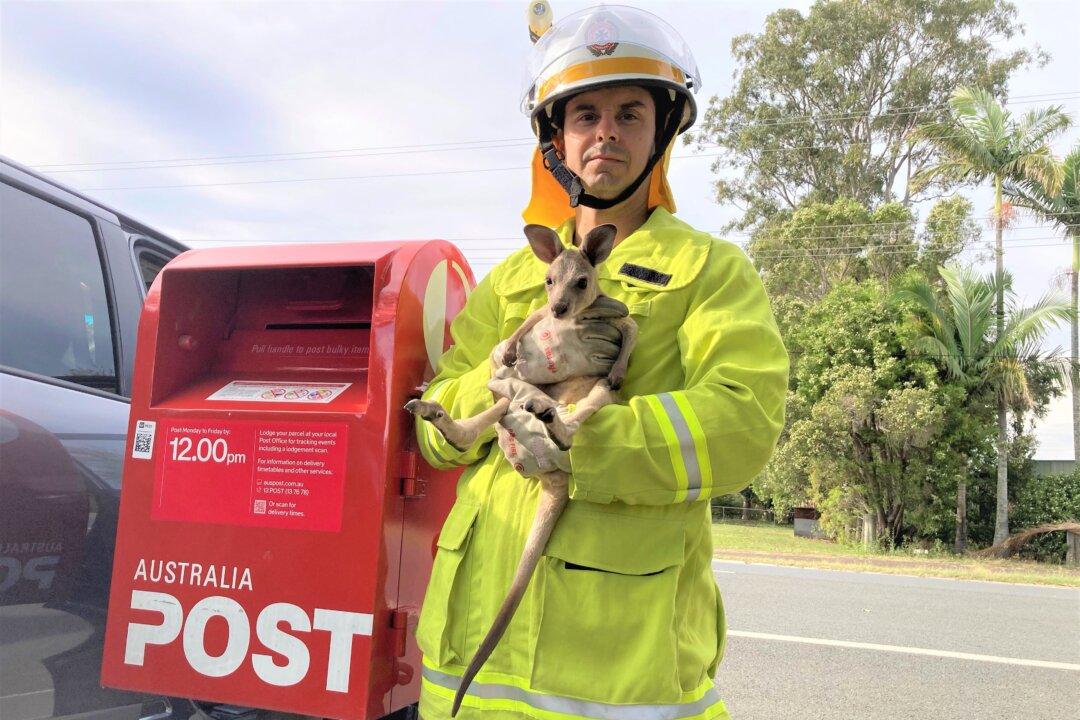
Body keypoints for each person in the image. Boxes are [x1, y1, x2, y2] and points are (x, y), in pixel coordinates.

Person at [413, 5, 789, 719]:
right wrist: (506, 372)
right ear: (557, 139)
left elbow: (744, 422)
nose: (605, 132)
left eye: (629, 113)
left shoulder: (708, 271)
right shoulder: (509, 283)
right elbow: (435, 434)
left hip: (621, 679)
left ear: (664, 132)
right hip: (467, 673)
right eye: (584, 114)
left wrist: (579, 438)